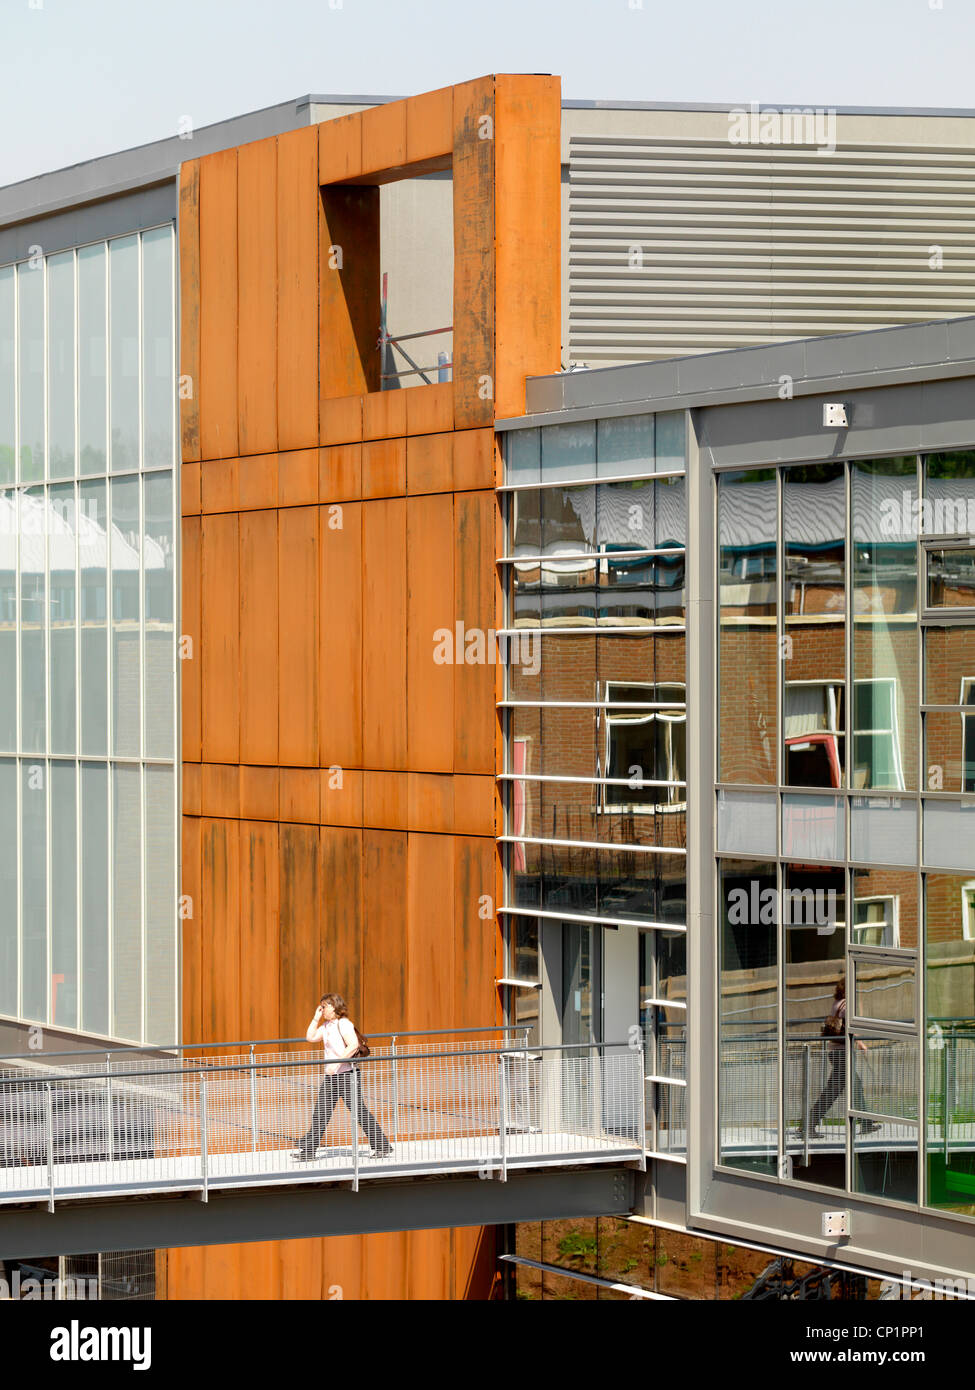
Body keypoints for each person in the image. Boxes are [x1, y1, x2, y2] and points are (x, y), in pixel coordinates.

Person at [292, 994, 393, 1160]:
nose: (322, 1010)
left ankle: (382, 1146)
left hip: (347, 1075)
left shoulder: (344, 1024)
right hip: (332, 1076)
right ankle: (308, 1152)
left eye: (324, 1006)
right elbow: (310, 1037)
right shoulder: (326, 1026)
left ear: (334, 1006)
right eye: (321, 1007)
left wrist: (336, 1064)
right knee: (321, 1113)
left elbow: (353, 1045)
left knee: (358, 1111)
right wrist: (315, 1018)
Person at [807, 981, 880, 1138]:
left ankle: (866, 1122)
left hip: (836, 1051)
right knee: (838, 1089)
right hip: (843, 1053)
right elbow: (851, 1027)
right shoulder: (847, 1005)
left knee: (852, 1086)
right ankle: (809, 1124)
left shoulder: (837, 1003)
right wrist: (861, 1044)